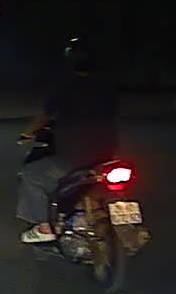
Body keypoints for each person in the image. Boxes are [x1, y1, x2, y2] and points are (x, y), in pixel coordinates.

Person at [16, 37, 119, 244]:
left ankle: (44, 228)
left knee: (31, 174)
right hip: (106, 153)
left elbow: (45, 116)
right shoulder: (106, 86)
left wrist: (27, 133)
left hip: (75, 156)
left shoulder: (66, 86)